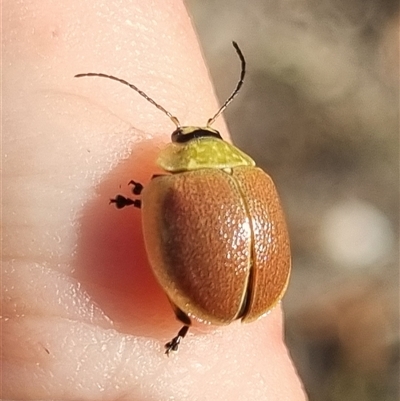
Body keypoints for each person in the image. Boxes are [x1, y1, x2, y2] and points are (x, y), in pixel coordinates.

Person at [2, 0, 307, 399]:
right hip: (257, 292)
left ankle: (184, 320)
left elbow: (165, 230)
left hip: (227, 295)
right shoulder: (257, 178)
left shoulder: (172, 188)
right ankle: (184, 320)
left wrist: (135, 201)